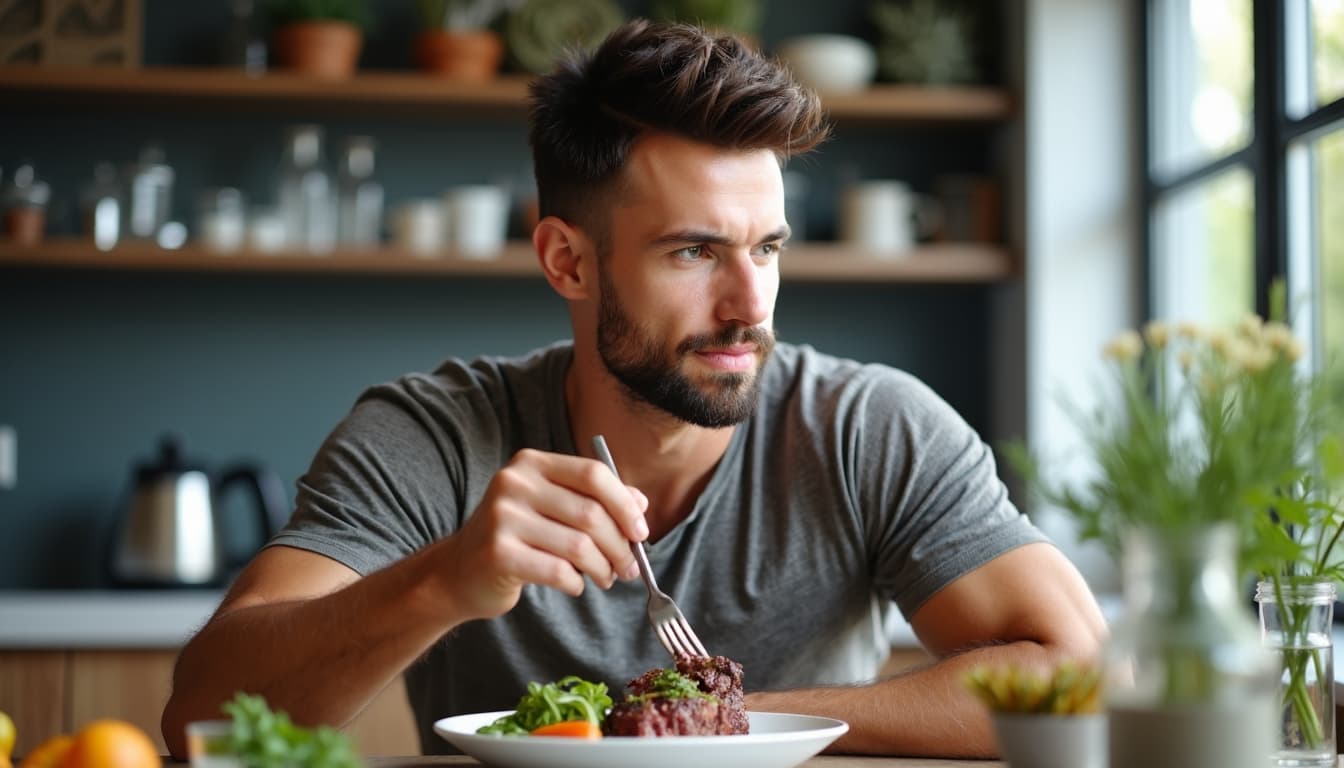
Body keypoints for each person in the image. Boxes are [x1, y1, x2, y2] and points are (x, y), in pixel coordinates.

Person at [161, 19, 1105, 759]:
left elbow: (1078, 676)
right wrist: (446, 579)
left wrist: (721, 723)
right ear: (568, 261)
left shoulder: (867, 428)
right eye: (694, 251)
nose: (749, 305)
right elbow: (203, 720)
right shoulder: (435, 435)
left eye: (766, 249)